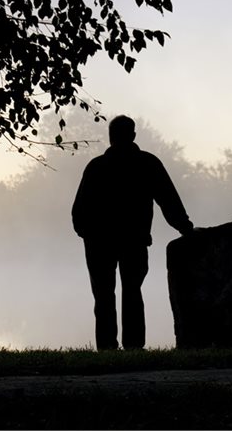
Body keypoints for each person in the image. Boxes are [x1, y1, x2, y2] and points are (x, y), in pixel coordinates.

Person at [72, 115, 194, 350]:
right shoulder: (147, 163)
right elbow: (169, 200)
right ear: (133, 135)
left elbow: (79, 210)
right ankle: (134, 348)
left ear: (111, 137)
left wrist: (87, 233)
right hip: (133, 241)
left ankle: (108, 349)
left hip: (100, 242)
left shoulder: (97, 167)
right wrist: (185, 227)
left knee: (104, 297)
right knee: (132, 294)